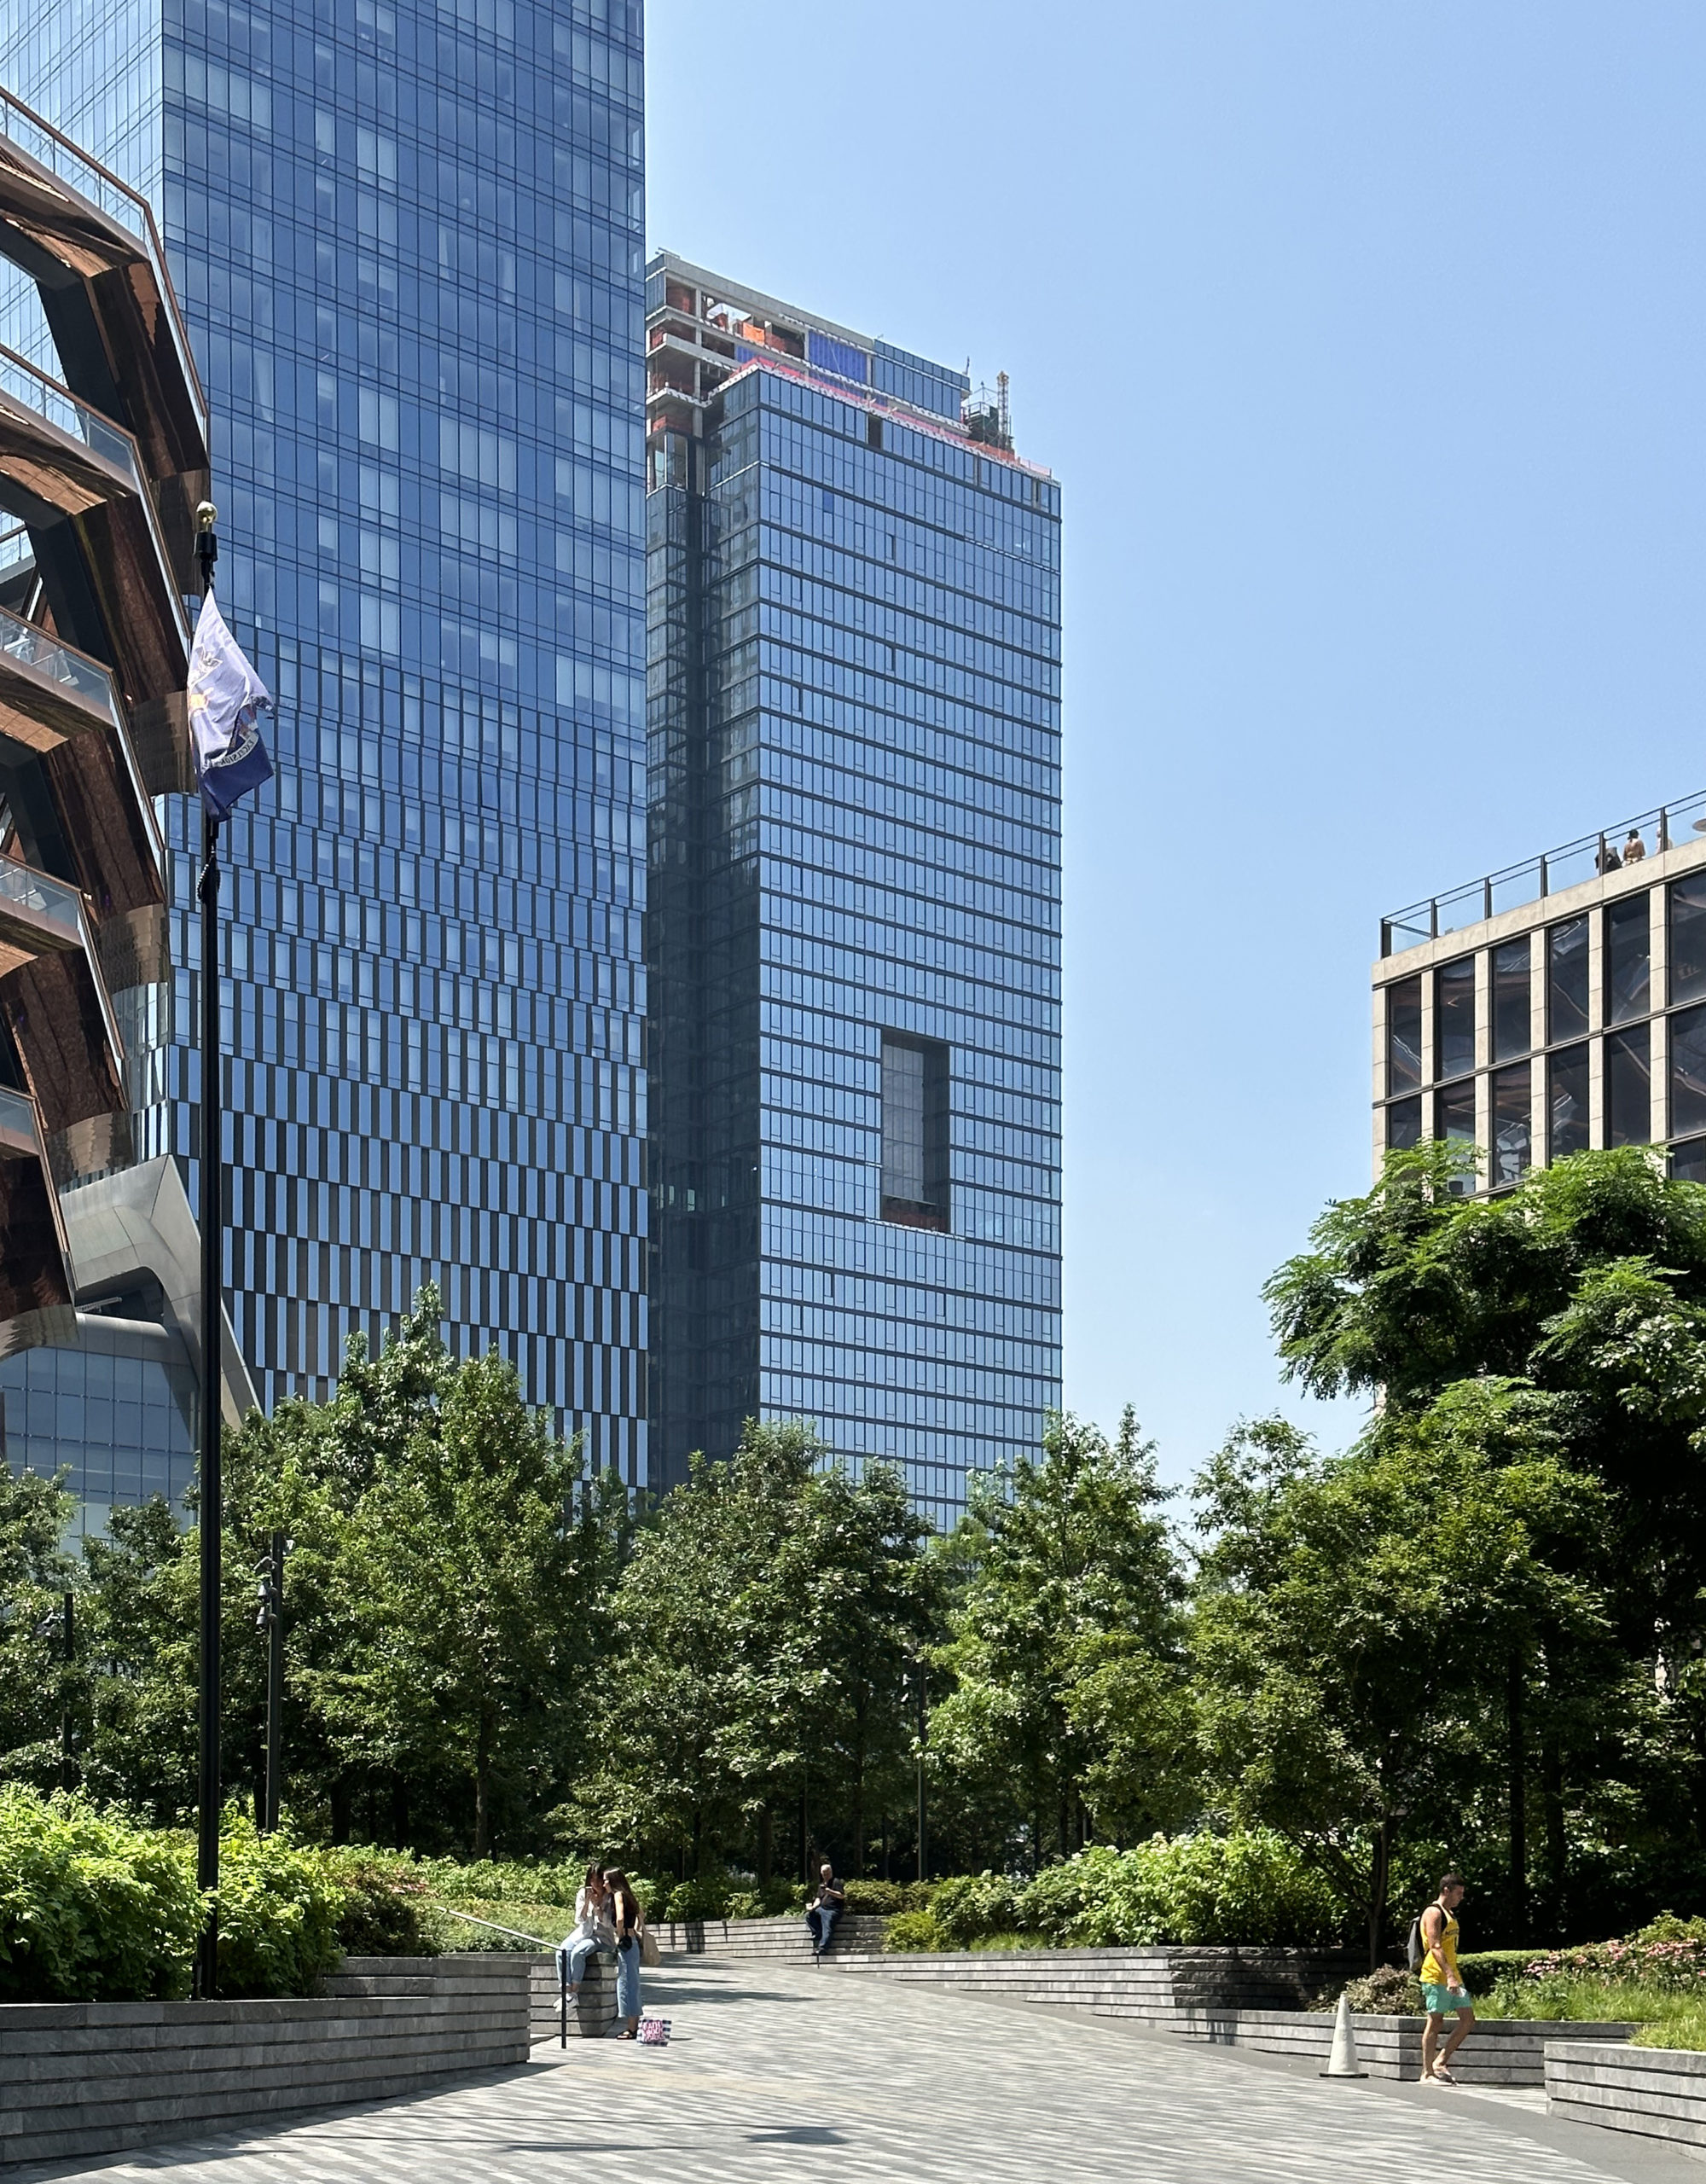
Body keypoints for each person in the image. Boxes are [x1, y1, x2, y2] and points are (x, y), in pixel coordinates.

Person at [1418, 1872, 1475, 2083]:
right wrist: (1449, 1975)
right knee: (1435, 2022)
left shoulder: (1449, 1914)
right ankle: (1427, 2073)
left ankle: (1440, 2061)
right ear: (1446, 1890)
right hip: (1436, 1976)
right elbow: (1435, 1946)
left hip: (1453, 1976)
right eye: (1458, 1893)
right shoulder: (1433, 1912)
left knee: (1468, 2019)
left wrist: (1453, 1976)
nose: (1461, 1897)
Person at [555, 1864, 615, 2002]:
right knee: (561, 1952)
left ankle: (574, 1992)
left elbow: (607, 1923)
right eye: (592, 1880)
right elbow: (579, 1920)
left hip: (602, 1937)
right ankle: (567, 1992)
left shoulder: (609, 1896)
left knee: (578, 1952)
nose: (596, 1884)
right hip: (582, 1933)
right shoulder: (583, 1893)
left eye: (599, 1880)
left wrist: (597, 1906)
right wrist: (587, 1902)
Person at [605, 1867, 644, 2038]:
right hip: (633, 1942)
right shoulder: (629, 1895)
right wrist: (635, 1930)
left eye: (606, 1880)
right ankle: (634, 2026)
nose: (604, 1883)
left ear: (613, 1881)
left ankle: (632, 2029)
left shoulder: (618, 1895)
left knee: (626, 1983)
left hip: (626, 1943)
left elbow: (620, 1918)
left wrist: (620, 1935)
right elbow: (641, 1915)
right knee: (633, 1983)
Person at [805, 1861, 846, 1960]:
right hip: (822, 1908)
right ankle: (817, 1932)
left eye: (827, 1874)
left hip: (833, 1910)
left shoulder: (836, 1882)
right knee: (809, 1916)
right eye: (824, 1874)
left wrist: (830, 1891)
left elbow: (841, 1896)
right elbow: (818, 1898)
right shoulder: (821, 1885)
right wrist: (812, 1907)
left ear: (831, 1872)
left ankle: (822, 1948)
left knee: (827, 1927)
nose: (826, 1876)